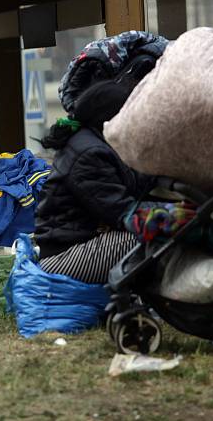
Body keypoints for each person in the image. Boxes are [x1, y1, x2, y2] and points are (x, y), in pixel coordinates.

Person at [34, 80, 155, 283]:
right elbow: (122, 212)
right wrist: (170, 216)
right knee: (157, 237)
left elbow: (138, 186)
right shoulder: (90, 154)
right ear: (111, 117)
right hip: (63, 258)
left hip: (79, 246)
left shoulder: (97, 143)